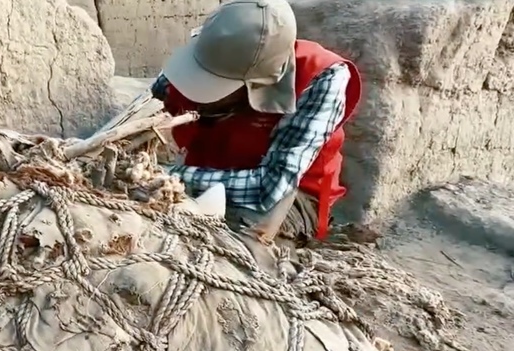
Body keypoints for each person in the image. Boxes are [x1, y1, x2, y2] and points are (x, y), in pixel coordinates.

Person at [150, 0, 362, 243]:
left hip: (285, 193)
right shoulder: (216, 46)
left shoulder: (321, 78)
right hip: (204, 166)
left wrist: (167, 176)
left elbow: (268, 189)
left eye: (213, 83)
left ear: (253, 86)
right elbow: (156, 96)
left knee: (226, 243)